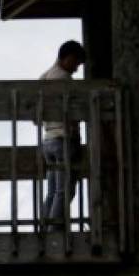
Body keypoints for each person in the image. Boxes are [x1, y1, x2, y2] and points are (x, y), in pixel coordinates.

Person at [40, 40, 87, 226]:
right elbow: (73, 111)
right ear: (68, 58)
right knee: (65, 190)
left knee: (52, 190)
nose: (76, 68)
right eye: (76, 63)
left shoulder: (44, 77)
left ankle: (44, 229)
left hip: (48, 140)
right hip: (63, 139)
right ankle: (53, 232)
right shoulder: (64, 80)